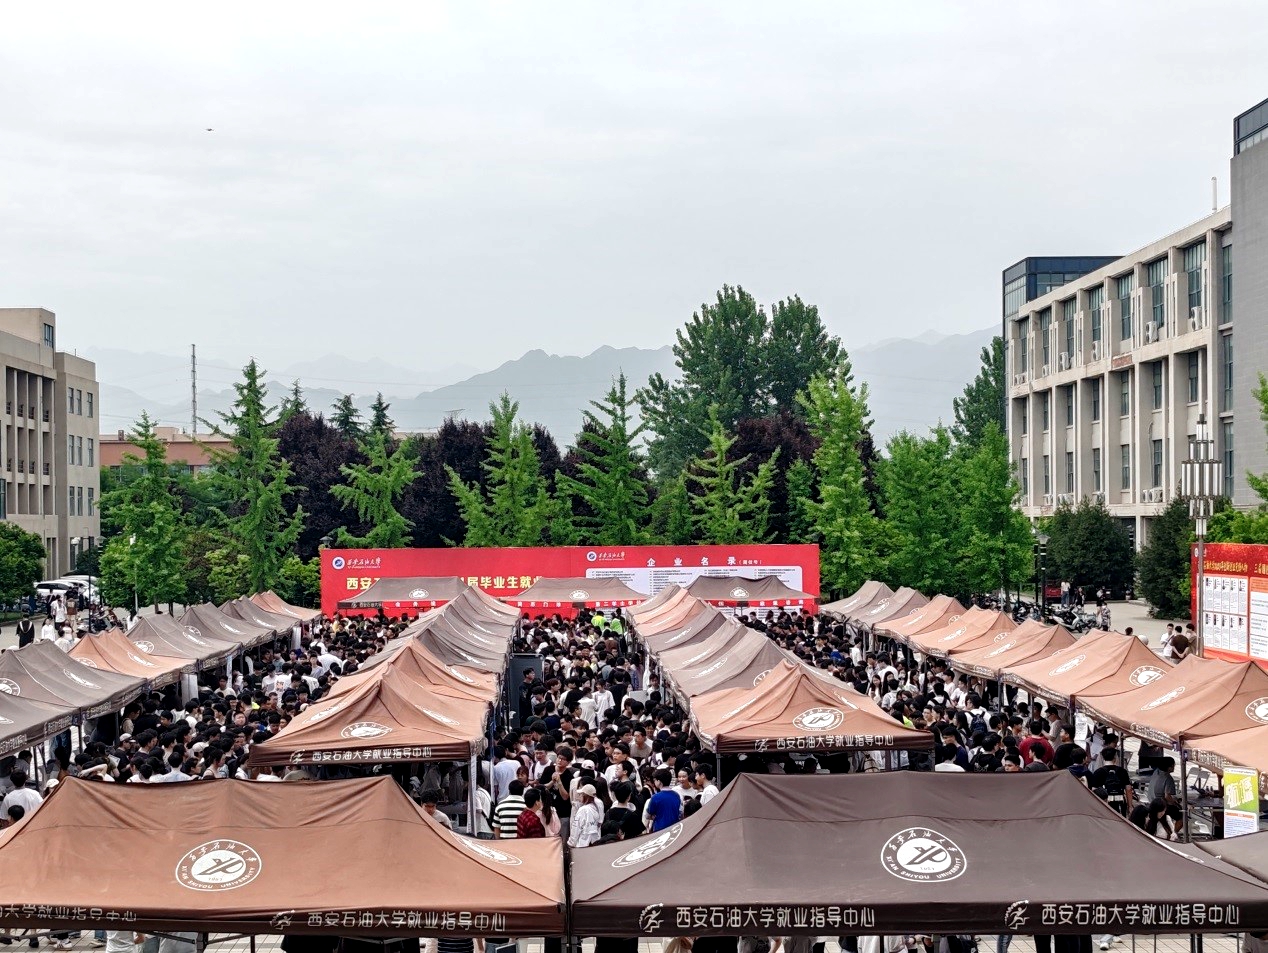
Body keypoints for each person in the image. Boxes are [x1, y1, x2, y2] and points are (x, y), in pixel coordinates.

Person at [643, 768, 682, 833]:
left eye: (655, 780)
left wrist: (653, 816)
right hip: (675, 828)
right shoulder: (676, 795)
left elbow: (647, 815)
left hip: (660, 830)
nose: (654, 782)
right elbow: (680, 812)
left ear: (659, 781)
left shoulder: (655, 797)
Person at [567, 783, 603, 848]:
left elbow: (576, 829)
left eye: (581, 794)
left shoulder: (583, 810)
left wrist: (571, 843)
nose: (579, 796)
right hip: (595, 844)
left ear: (585, 796)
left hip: (582, 845)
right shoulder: (596, 807)